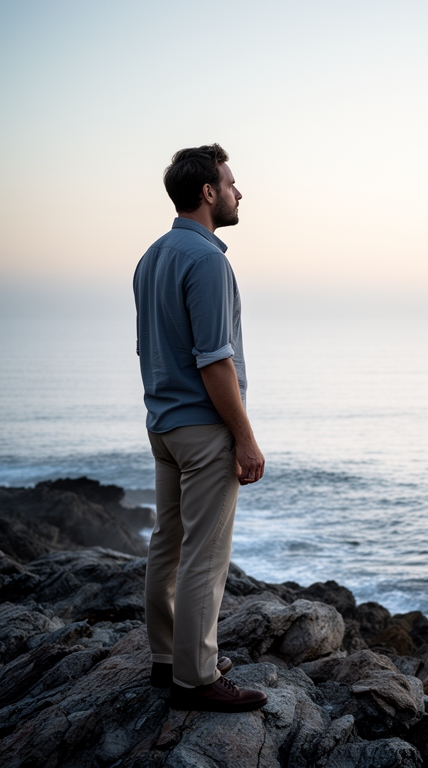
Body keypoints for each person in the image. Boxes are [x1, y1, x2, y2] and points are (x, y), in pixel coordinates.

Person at [133, 143, 267, 712]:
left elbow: (152, 348)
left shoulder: (152, 256)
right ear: (208, 192)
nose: (241, 193)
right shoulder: (208, 260)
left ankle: (168, 659)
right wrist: (245, 436)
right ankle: (197, 678)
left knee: (169, 545)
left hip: (163, 426)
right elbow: (215, 361)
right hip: (203, 427)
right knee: (204, 557)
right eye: (232, 183)